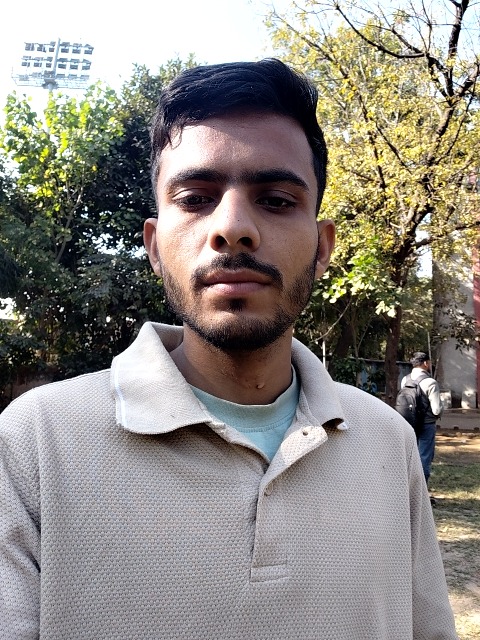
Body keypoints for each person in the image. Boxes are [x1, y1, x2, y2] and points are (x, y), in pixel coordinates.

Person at [0, 60, 457, 639]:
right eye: (195, 198)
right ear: (154, 247)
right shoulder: (34, 444)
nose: (233, 227)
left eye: (277, 200)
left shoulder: (388, 443)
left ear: (322, 247)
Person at [402, 351, 443, 503]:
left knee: (409, 458)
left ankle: (406, 492)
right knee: (424, 458)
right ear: (425, 363)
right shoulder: (430, 382)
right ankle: (421, 495)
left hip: (408, 423)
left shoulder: (405, 380)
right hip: (426, 424)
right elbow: (437, 410)